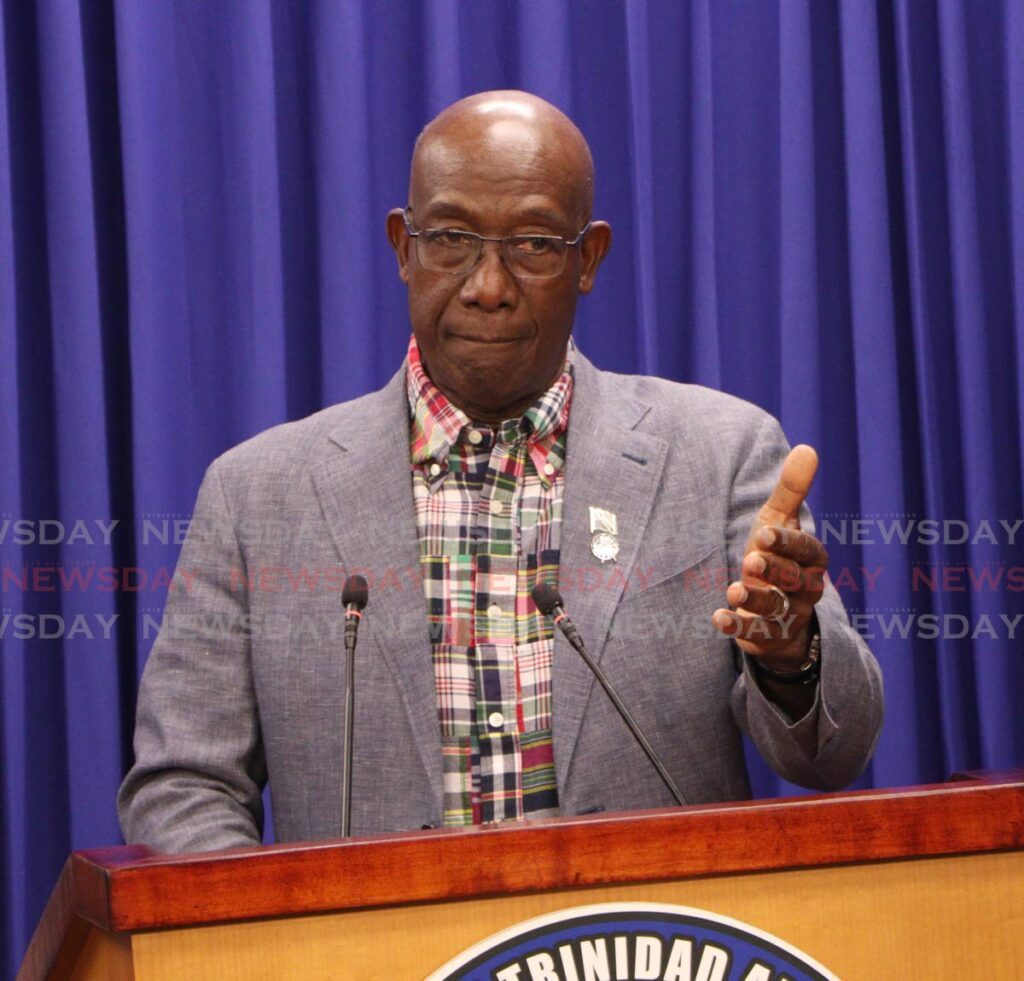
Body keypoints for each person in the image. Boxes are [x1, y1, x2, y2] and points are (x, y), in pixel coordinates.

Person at [119, 91, 882, 853]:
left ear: (588, 258)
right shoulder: (257, 497)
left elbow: (833, 752)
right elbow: (184, 786)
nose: (488, 285)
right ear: (402, 247)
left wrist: (791, 654)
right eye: (450, 237)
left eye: (533, 244)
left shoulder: (722, 455)